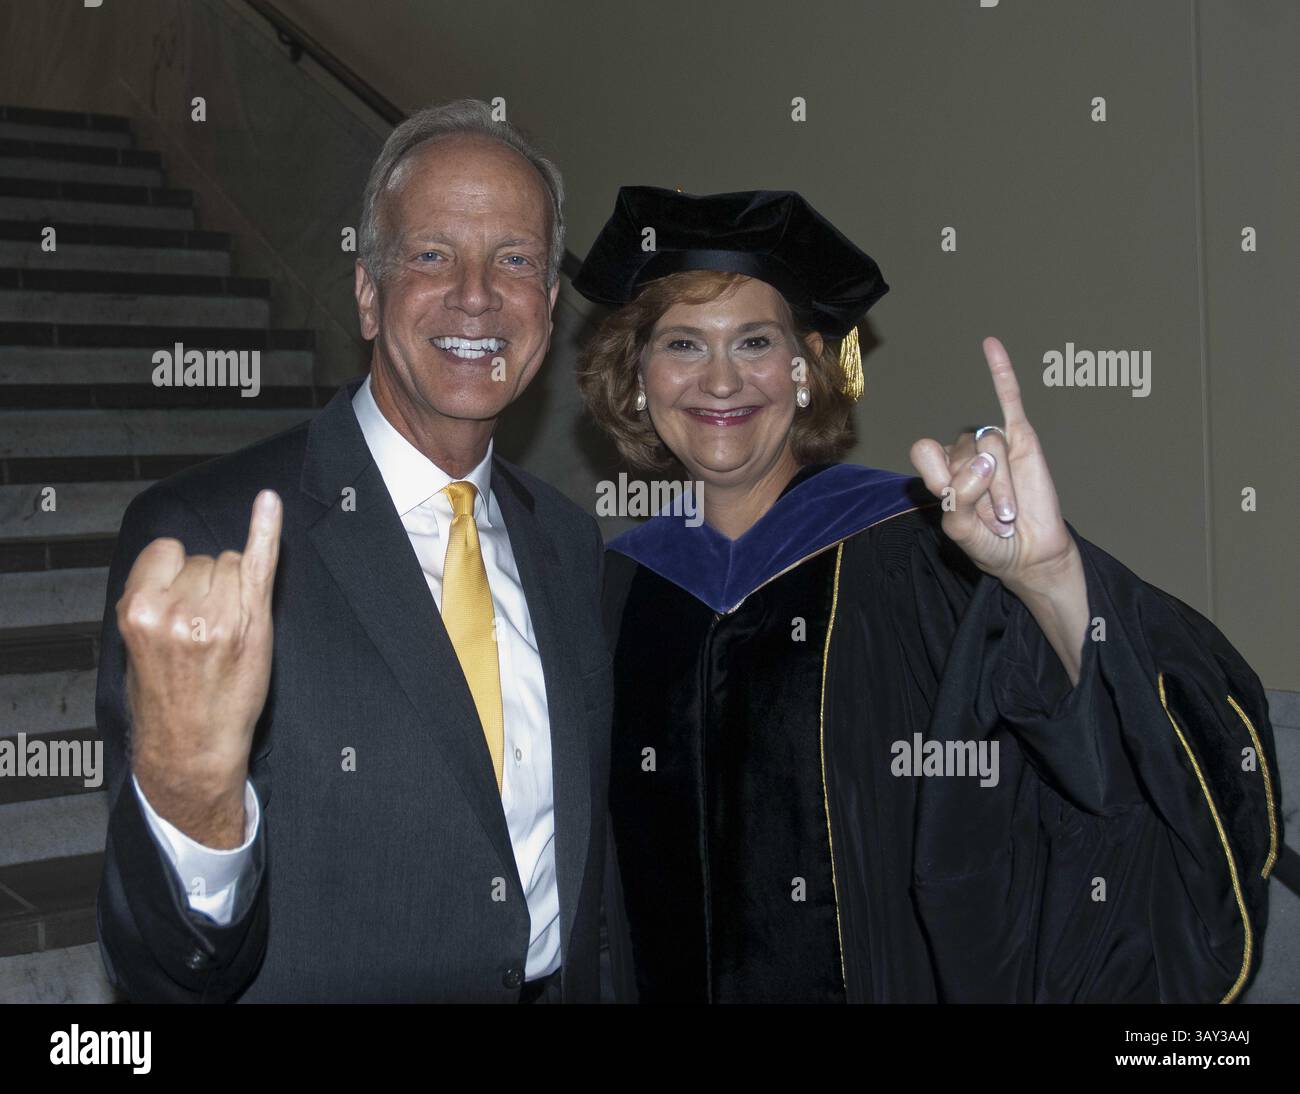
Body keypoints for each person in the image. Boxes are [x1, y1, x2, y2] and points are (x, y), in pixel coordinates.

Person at [574, 186, 1281, 1003]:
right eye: (684, 345)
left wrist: (1048, 577)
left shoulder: (913, 553)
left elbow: (1087, 754)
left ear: (806, 372)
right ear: (638, 379)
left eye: (756, 342)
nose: (722, 380)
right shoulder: (615, 587)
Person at [96, 100, 613, 1002]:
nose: (477, 293)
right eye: (430, 255)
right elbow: (162, 963)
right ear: (369, 296)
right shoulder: (208, 538)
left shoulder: (568, 542)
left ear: (550, 306)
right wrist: (189, 796)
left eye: (516, 259)